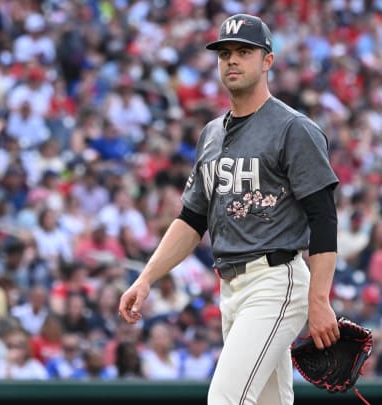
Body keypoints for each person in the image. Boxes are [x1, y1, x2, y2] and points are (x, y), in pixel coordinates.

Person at [119, 13, 340, 404]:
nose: (232, 60)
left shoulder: (293, 128)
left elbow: (323, 218)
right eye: (225, 53)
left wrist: (319, 300)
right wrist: (146, 279)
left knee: (225, 400)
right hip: (231, 287)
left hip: (276, 280)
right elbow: (191, 219)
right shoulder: (211, 134)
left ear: (267, 60)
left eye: (244, 52)